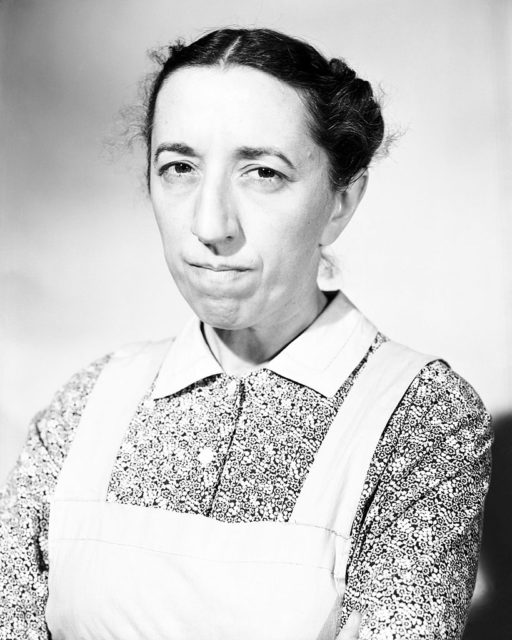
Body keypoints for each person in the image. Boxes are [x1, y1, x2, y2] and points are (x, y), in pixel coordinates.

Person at [0, 27, 491, 640]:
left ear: (341, 200)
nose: (210, 225)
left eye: (262, 172)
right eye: (178, 167)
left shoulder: (420, 415)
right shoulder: (86, 405)